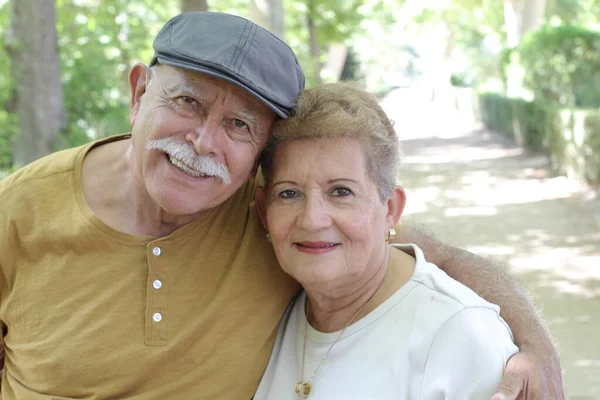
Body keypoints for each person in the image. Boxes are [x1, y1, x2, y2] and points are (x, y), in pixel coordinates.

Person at [0, 11, 562, 400]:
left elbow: (419, 253)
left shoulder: (272, 216)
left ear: (257, 159)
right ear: (138, 90)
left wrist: (534, 345)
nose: (202, 143)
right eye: (187, 101)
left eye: (239, 125)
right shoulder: (18, 210)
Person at [253, 82, 519, 399]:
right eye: (289, 193)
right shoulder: (273, 315)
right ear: (263, 211)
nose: (312, 219)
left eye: (341, 191)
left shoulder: (460, 337)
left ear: (390, 209)